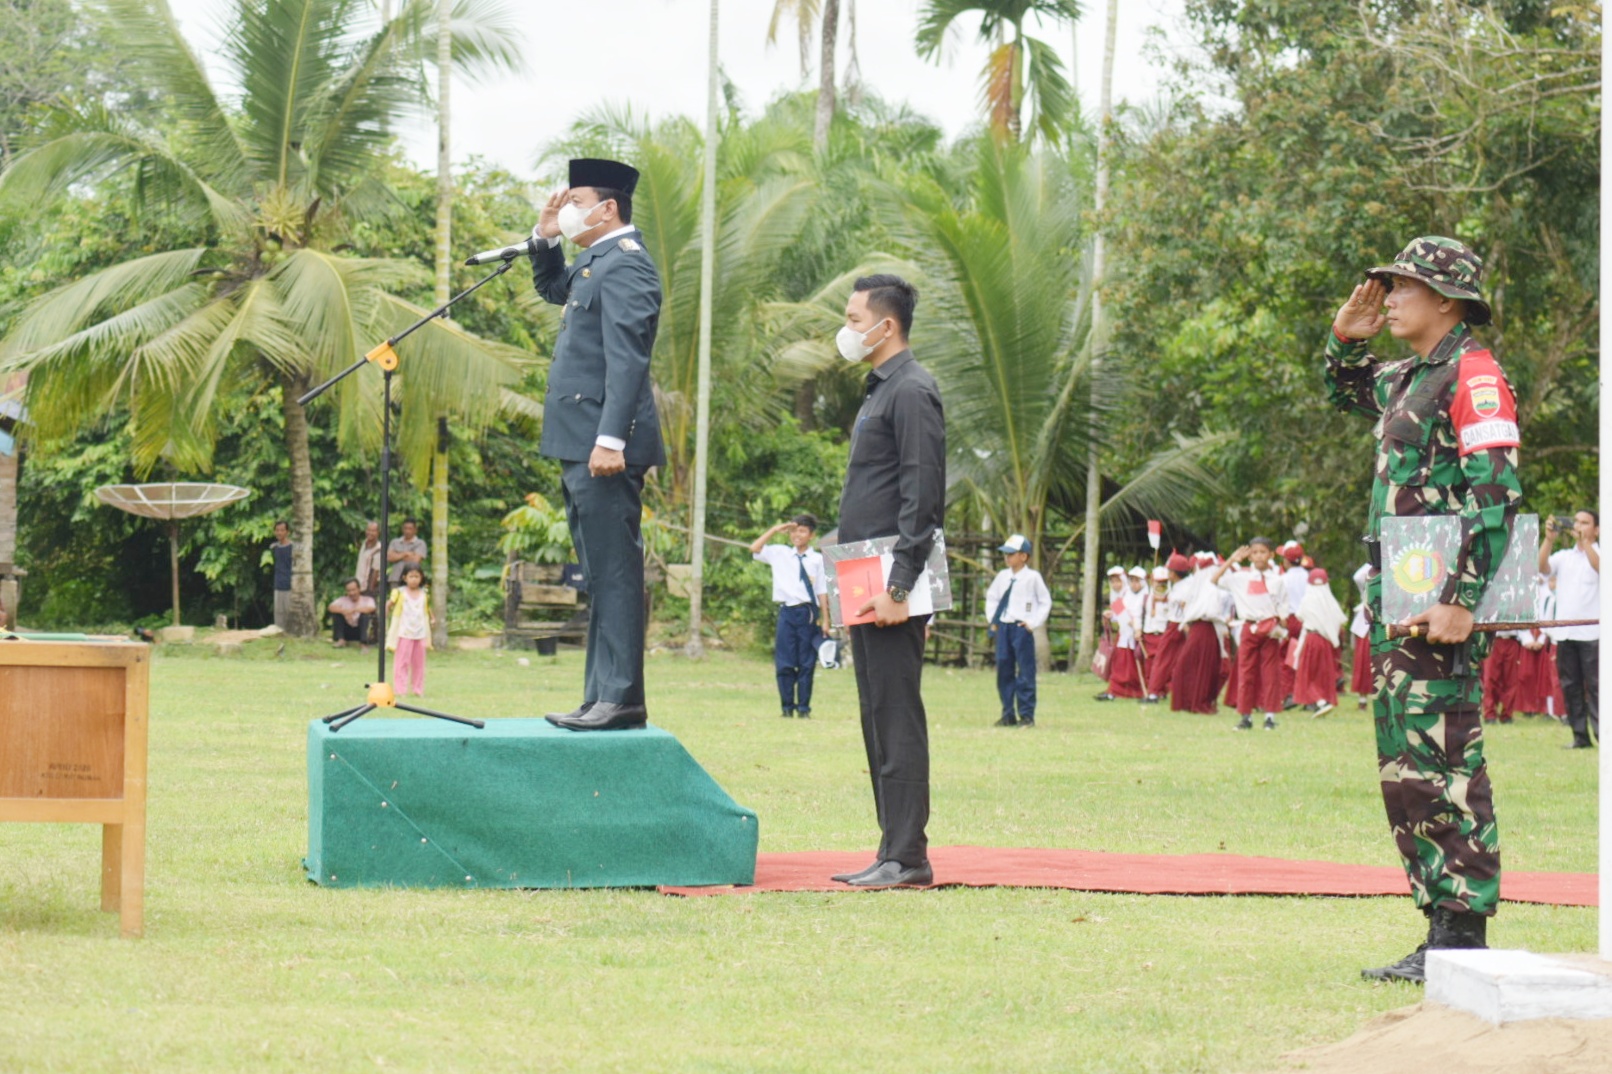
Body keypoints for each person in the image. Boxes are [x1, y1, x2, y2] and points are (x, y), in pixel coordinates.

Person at [1328, 235, 1522, 982]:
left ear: (1446, 299)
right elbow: (1349, 392)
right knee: (1408, 766)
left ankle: (1462, 936)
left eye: (1403, 286)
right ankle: (1440, 931)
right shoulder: (1412, 375)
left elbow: (1496, 495)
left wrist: (1462, 600)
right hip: (1403, 597)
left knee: (1446, 757)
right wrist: (1346, 340)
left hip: (1440, 601)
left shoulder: (1474, 375)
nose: (1389, 298)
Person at [531, 158, 666, 733]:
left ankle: (623, 698)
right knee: (598, 572)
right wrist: (545, 238)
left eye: (576, 201)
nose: (567, 209)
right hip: (579, 440)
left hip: (603, 446)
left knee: (615, 572)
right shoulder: (597, 261)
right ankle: (601, 697)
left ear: (607, 208)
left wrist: (611, 440)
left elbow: (627, 358)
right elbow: (552, 288)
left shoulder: (627, 264)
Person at [824, 274, 944, 889]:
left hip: (893, 580)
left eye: (852, 318)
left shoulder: (912, 389)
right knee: (876, 713)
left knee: (897, 714)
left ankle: (909, 856)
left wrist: (900, 587)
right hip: (860, 573)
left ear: (885, 325)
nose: (845, 330)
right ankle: (890, 849)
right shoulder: (879, 389)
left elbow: (922, 495)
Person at [751, 514, 831, 719]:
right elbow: (755, 548)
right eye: (794, 531)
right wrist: (775, 529)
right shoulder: (780, 553)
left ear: (811, 535)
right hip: (787, 611)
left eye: (802, 531)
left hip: (808, 613)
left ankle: (804, 708)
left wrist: (825, 620)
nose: (797, 535)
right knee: (784, 661)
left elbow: (822, 591)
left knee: (806, 662)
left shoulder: (817, 559)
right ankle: (787, 707)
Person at [1212, 539, 1289, 731]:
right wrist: (1231, 560)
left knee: (1270, 673)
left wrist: (1282, 626)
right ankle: (1245, 716)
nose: (1259, 556)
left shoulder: (1277, 580)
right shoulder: (1240, 578)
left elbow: (1283, 608)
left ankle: (1269, 716)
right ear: (1250, 556)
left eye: (1263, 552)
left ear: (1271, 555)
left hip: (1270, 628)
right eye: (1255, 552)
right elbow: (1214, 580)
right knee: (1246, 672)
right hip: (1249, 626)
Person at [1540, 511, 1599, 748]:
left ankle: (1603, 734)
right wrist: (1548, 540)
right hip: (1565, 634)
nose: (1578, 526)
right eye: (1576, 522)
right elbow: (1542, 567)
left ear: (1597, 530)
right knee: (1570, 687)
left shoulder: (1601, 553)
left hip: (1593, 635)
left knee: (1597, 687)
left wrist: (1587, 544)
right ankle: (1580, 736)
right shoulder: (1563, 556)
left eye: (1585, 523)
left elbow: (1601, 568)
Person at [983, 534, 1052, 727]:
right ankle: (1007, 713)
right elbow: (992, 598)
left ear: (1024, 556)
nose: (1007, 558)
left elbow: (1045, 601)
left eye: (1012, 554)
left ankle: (1027, 715)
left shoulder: (1033, 578)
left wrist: (1033, 622)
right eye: (1006, 554)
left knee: (1025, 671)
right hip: (1004, 627)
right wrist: (993, 619)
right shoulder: (1002, 577)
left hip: (1021, 628)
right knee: (1004, 668)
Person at [1171, 552, 1227, 714]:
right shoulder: (1198, 588)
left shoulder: (1210, 588)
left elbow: (1211, 612)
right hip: (1198, 628)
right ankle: (1188, 700)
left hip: (1206, 629)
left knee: (1203, 666)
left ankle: (1199, 699)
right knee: (1188, 664)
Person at [1292, 568, 1346, 715]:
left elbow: (1300, 615)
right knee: (1322, 672)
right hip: (1326, 641)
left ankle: (1320, 701)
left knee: (1307, 673)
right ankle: (1322, 699)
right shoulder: (1330, 601)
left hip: (1312, 639)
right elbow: (1339, 620)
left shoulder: (1308, 599)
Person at [1096, 566, 1145, 700]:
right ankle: (1116, 688)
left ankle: (1132, 689)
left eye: (1118, 581)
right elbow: (1120, 615)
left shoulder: (1130, 595)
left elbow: (1131, 615)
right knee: (1119, 663)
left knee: (1132, 663)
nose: (1115, 585)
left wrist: (1134, 625)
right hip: (1124, 634)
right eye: (1112, 582)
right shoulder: (1117, 597)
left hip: (1133, 633)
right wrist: (1111, 615)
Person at [386, 564, 432, 696]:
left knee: (419, 663)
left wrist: (432, 619)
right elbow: (390, 604)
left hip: (420, 632)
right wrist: (386, 612)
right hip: (404, 632)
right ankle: (400, 689)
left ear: (421, 578)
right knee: (402, 662)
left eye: (417, 576)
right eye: (411, 576)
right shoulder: (400, 592)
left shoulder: (424, 594)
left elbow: (427, 609)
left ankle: (418, 689)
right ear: (404, 578)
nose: (414, 580)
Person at [1349, 562, 1374, 709]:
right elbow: (1358, 576)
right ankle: (1362, 699)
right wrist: (1373, 562)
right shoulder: (1366, 578)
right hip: (1366, 624)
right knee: (1363, 662)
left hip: (1387, 621)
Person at [327, 578, 376, 650]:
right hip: (346, 630)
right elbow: (330, 607)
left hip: (359, 631)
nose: (351, 593)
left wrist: (354, 610)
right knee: (337, 614)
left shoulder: (367, 599)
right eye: (349, 591)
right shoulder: (343, 600)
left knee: (365, 615)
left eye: (353, 590)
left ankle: (363, 643)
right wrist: (344, 611)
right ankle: (341, 640)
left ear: (359, 589)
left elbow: (372, 608)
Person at [387, 518, 427, 587]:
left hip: (413, 580)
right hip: (395, 579)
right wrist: (405, 554)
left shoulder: (420, 543)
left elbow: (416, 560)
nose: (407, 531)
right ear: (402, 529)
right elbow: (390, 557)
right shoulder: (395, 542)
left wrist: (397, 555)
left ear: (415, 530)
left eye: (410, 529)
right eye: (405, 528)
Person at [268, 520, 292, 630]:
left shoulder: (294, 547)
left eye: (282, 530)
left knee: (289, 612)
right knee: (279, 612)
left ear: (287, 532)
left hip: (290, 585)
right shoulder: (273, 547)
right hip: (278, 584)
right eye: (277, 530)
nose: (279, 533)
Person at [355, 520, 383, 598]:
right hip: (358, 586)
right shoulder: (364, 543)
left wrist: (370, 592)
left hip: (368, 589)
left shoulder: (379, 549)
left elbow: (375, 572)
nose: (370, 533)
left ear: (378, 532)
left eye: (373, 531)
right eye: (368, 530)